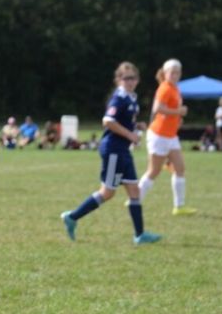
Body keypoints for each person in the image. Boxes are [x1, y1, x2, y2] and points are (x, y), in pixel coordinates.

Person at [61, 62, 161, 245]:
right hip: (113, 150)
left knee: (134, 190)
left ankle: (140, 235)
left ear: (137, 80)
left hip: (123, 151)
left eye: (133, 78)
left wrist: (136, 126)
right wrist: (130, 134)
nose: (130, 81)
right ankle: (72, 217)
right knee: (107, 192)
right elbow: (108, 121)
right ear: (118, 80)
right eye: (126, 78)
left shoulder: (131, 98)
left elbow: (122, 121)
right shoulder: (119, 97)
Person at [137, 58, 197, 216]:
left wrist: (177, 118)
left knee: (180, 168)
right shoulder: (165, 88)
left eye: (178, 72)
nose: (175, 75)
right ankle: (135, 200)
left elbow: (169, 110)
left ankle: (179, 206)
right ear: (165, 73)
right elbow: (158, 109)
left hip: (170, 136)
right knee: (154, 171)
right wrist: (178, 112)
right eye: (172, 72)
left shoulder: (175, 88)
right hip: (159, 135)